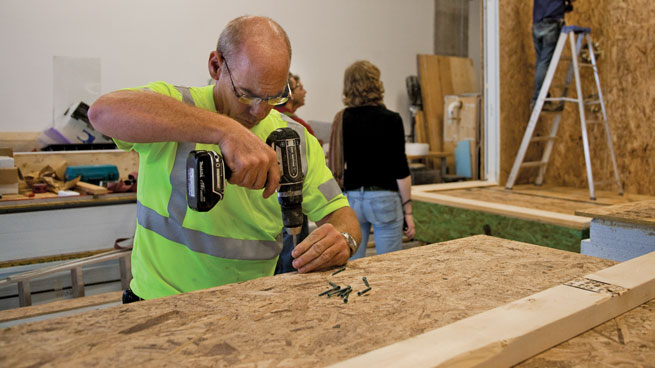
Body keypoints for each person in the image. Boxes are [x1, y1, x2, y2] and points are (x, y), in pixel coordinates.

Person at [88, 15, 361, 301]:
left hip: (251, 305)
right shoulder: (176, 108)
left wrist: (343, 239)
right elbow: (102, 112)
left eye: (274, 97)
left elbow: (343, 217)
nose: (260, 111)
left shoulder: (294, 138)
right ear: (216, 66)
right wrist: (225, 130)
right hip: (159, 305)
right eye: (246, 94)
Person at [328, 60, 415, 259]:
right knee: (388, 265)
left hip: (353, 198)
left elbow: (335, 165)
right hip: (385, 197)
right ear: (376, 83)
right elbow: (401, 169)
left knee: (353, 264)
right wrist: (408, 211)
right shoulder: (392, 119)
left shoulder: (342, 118)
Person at [524, 0, 580, 109]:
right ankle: (537, 100)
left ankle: (544, 97)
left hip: (537, 23)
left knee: (541, 61)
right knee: (545, 62)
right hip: (553, 21)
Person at [273, 72, 313, 274]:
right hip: (292, 204)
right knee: (293, 257)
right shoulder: (297, 128)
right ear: (287, 92)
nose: (304, 91)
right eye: (299, 87)